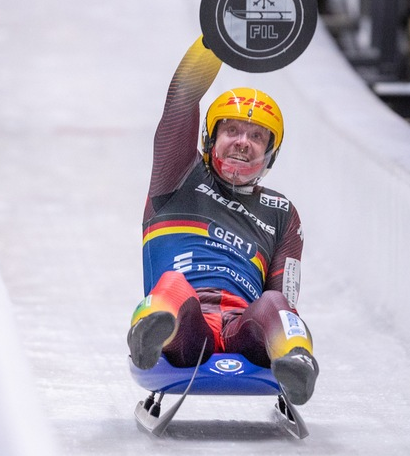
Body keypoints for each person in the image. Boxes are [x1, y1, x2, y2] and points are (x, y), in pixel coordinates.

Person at [126, 35, 318, 405]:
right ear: (210, 139)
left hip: (243, 329)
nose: (243, 142)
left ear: (270, 153)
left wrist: (277, 325)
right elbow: (181, 100)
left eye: (257, 136)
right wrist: (216, 37)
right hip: (186, 324)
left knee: (274, 302)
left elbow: (285, 294)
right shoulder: (179, 177)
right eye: (232, 130)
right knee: (172, 286)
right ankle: (149, 333)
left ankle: (296, 359)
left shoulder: (283, 213)